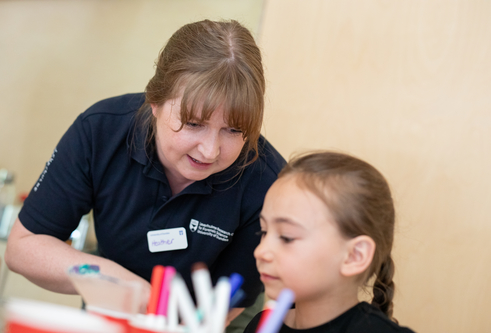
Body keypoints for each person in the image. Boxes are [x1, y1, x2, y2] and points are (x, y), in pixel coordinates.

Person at [4, 19, 285, 331]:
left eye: (233, 130)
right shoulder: (101, 132)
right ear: (155, 101)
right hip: (113, 301)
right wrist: (108, 278)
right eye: (193, 123)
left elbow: (229, 303)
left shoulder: (267, 181)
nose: (210, 150)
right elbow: (24, 246)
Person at [244, 151, 415, 333]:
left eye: (287, 237)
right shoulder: (262, 324)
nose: (260, 251)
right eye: (263, 231)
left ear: (354, 256)